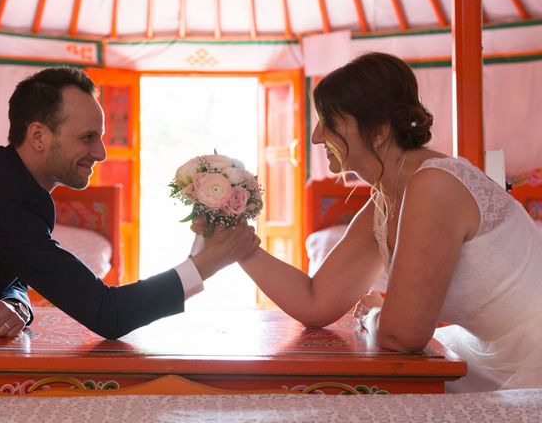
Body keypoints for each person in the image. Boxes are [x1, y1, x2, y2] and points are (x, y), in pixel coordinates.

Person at [195, 52, 542, 392]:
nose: (316, 136)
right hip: (497, 356)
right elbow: (315, 302)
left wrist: (374, 313)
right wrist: (238, 244)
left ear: (378, 131)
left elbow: (403, 335)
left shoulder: (435, 185)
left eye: (329, 121)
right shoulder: (385, 202)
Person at [0, 67, 259, 394]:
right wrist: (208, 262)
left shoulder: (5, 183)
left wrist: (16, 301)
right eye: (88, 137)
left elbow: (11, 266)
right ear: (39, 136)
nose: (101, 152)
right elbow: (108, 314)